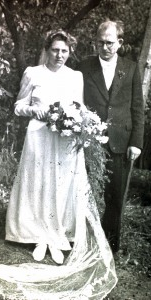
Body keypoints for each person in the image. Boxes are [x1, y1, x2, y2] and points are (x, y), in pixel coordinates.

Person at [0, 29, 118, 300]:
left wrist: (75, 121)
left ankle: (57, 235)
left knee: (61, 183)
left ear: (71, 53)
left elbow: (79, 108)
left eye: (65, 51)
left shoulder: (75, 76)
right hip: (38, 136)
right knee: (38, 181)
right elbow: (18, 106)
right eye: (56, 50)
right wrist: (34, 110)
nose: (60, 55)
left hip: (64, 140)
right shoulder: (33, 73)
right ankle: (37, 234)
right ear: (47, 50)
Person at [77, 20, 145, 253]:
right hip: (90, 142)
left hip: (121, 142)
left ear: (120, 43)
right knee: (85, 192)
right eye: (100, 42)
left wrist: (136, 142)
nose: (104, 47)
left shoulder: (132, 68)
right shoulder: (84, 67)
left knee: (115, 196)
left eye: (109, 43)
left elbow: (137, 107)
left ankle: (109, 246)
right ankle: (83, 241)